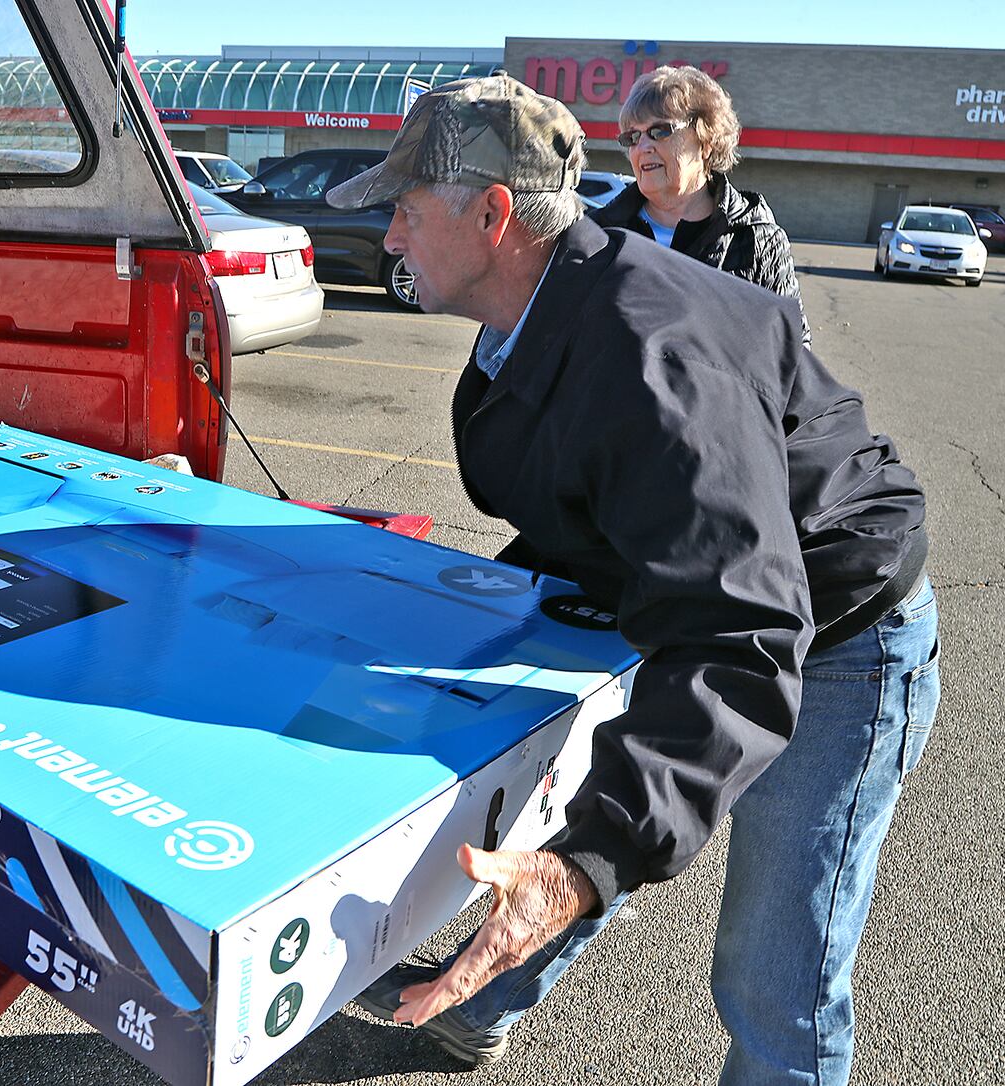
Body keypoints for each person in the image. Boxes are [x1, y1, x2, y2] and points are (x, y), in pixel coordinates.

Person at [326, 74, 938, 1086]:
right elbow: (590, 500)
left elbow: (737, 631)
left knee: (770, 975)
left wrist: (583, 863)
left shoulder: (650, 359)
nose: (389, 238)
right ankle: (485, 999)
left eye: (403, 211)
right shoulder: (537, 303)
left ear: (490, 214)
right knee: (608, 821)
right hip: (715, 595)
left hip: (833, 634)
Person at [591, 65, 809, 343]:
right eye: (632, 137)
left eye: (660, 131)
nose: (642, 146)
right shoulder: (600, 234)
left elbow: (792, 354)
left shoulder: (757, 239)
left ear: (706, 141)